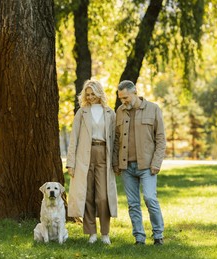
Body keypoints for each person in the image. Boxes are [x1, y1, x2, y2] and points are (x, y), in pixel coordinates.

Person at [113, 80, 166, 246]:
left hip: (148, 166)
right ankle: (139, 238)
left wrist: (156, 163)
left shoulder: (153, 109)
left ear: (134, 92)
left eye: (126, 97)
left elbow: (161, 139)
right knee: (133, 204)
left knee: (150, 198)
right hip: (127, 167)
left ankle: (158, 235)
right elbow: (116, 140)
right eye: (121, 98)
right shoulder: (120, 112)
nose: (124, 101)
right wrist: (116, 162)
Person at [66, 79, 118, 244]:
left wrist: (116, 162)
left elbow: (115, 140)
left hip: (103, 154)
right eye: (87, 95)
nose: (90, 97)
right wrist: (71, 163)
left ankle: (105, 233)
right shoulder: (82, 113)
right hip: (84, 157)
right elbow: (74, 138)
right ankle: (92, 234)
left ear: (99, 93)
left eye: (93, 94)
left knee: (103, 197)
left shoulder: (110, 113)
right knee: (87, 195)